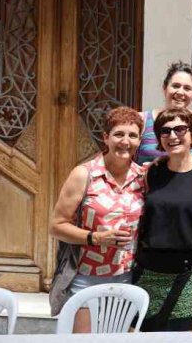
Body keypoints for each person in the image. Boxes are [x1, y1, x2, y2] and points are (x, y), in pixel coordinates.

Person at [49, 107, 146, 333]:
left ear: (140, 140)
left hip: (126, 279)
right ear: (106, 137)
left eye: (132, 136)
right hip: (85, 277)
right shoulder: (84, 174)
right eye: (119, 134)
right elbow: (57, 226)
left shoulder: (142, 177)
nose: (125, 141)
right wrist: (97, 238)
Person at [134, 108, 192, 332]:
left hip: (191, 273)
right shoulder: (152, 173)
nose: (173, 136)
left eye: (180, 129)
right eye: (165, 131)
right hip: (150, 271)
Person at [136, 61, 192, 166]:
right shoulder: (142, 120)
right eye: (175, 86)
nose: (180, 92)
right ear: (164, 88)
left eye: (187, 88)